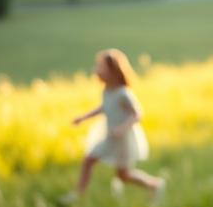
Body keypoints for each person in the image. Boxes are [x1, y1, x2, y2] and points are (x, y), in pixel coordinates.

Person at [67, 48, 163, 199]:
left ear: (113, 71)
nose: (96, 70)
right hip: (110, 137)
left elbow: (137, 114)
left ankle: (155, 185)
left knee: (123, 175)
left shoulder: (123, 93)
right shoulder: (107, 90)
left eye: (101, 67)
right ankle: (78, 194)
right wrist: (84, 117)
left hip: (122, 140)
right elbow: (105, 107)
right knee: (88, 160)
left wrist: (122, 128)